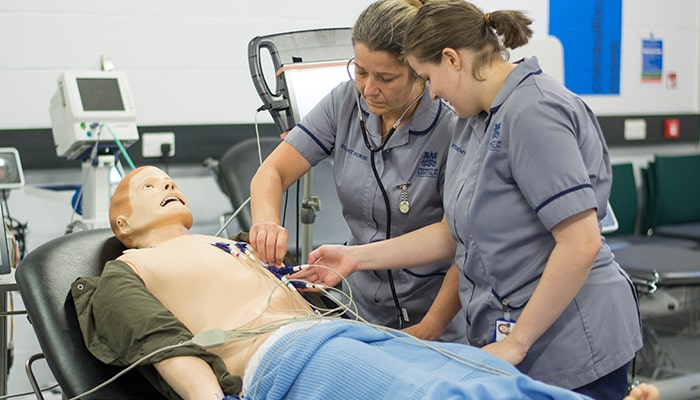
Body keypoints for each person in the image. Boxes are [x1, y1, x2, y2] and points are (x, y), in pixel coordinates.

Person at [294, 1, 644, 399]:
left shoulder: (533, 112)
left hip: (570, 341)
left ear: (451, 59)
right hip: (511, 335)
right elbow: (455, 234)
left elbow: (580, 242)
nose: (433, 92)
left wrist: (518, 341)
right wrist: (357, 257)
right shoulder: (473, 121)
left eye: (428, 77)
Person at [69, 166, 659, 400]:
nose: (167, 184)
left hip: (340, 332)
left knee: (474, 369)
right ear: (121, 222)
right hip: (282, 360)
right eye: (148, 186)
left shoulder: (229, 244)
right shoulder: (127, 272)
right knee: (430, 397)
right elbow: (165, 348)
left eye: (169, 178)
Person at [249, 0, 466, 342]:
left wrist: (430, 328)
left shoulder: (453, 126)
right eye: (361, 71)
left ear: (419, 73)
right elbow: (272, 172)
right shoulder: (346, 102)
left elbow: (458, 238)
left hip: (437, 321)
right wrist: (266, 222)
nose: (368, 89)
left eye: (385, 78)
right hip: (358, 309)